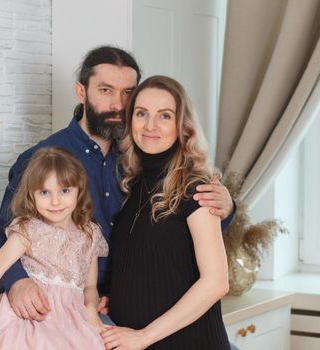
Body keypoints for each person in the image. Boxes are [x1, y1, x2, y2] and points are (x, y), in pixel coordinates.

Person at [0, 46, 235, 323]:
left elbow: (179, 223)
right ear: (82, 92)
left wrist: (224, 208)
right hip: (64, 304)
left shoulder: (144, 153)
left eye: (128, 93)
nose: (119, 104)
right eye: (106, 91)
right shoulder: (43, 159)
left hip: (142, 303)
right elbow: (1, 232)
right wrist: (17, 282)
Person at [104, 75, 230, 349]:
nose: (150, 125)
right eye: (141, 114)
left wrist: (143, 336)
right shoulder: (134, 183)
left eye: (164, 116)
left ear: (181, 126)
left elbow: (216, 282)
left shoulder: (196, 188)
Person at [0, 147, 108, 350]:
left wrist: (91, 311)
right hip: (27, 319)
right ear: (31, 195)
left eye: (65, 190)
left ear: (79, 190)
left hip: (70, 323)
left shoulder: (90, 235)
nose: (55, 201)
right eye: (44, 192)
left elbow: (90, 288)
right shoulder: (28, 231)